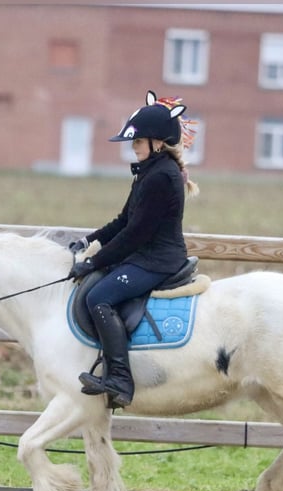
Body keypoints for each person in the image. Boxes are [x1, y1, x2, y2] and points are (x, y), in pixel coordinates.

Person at [67, 90, 200, 408]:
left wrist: (94, 262)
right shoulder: (149, 173)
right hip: (145, 256)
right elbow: (123, 220)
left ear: (157, 142)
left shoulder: (161, 177)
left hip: (157, 261)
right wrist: (89, 241)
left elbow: (136, 234)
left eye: (138, 142)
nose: (134, 147)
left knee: (99, 297)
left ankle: (121, 380)